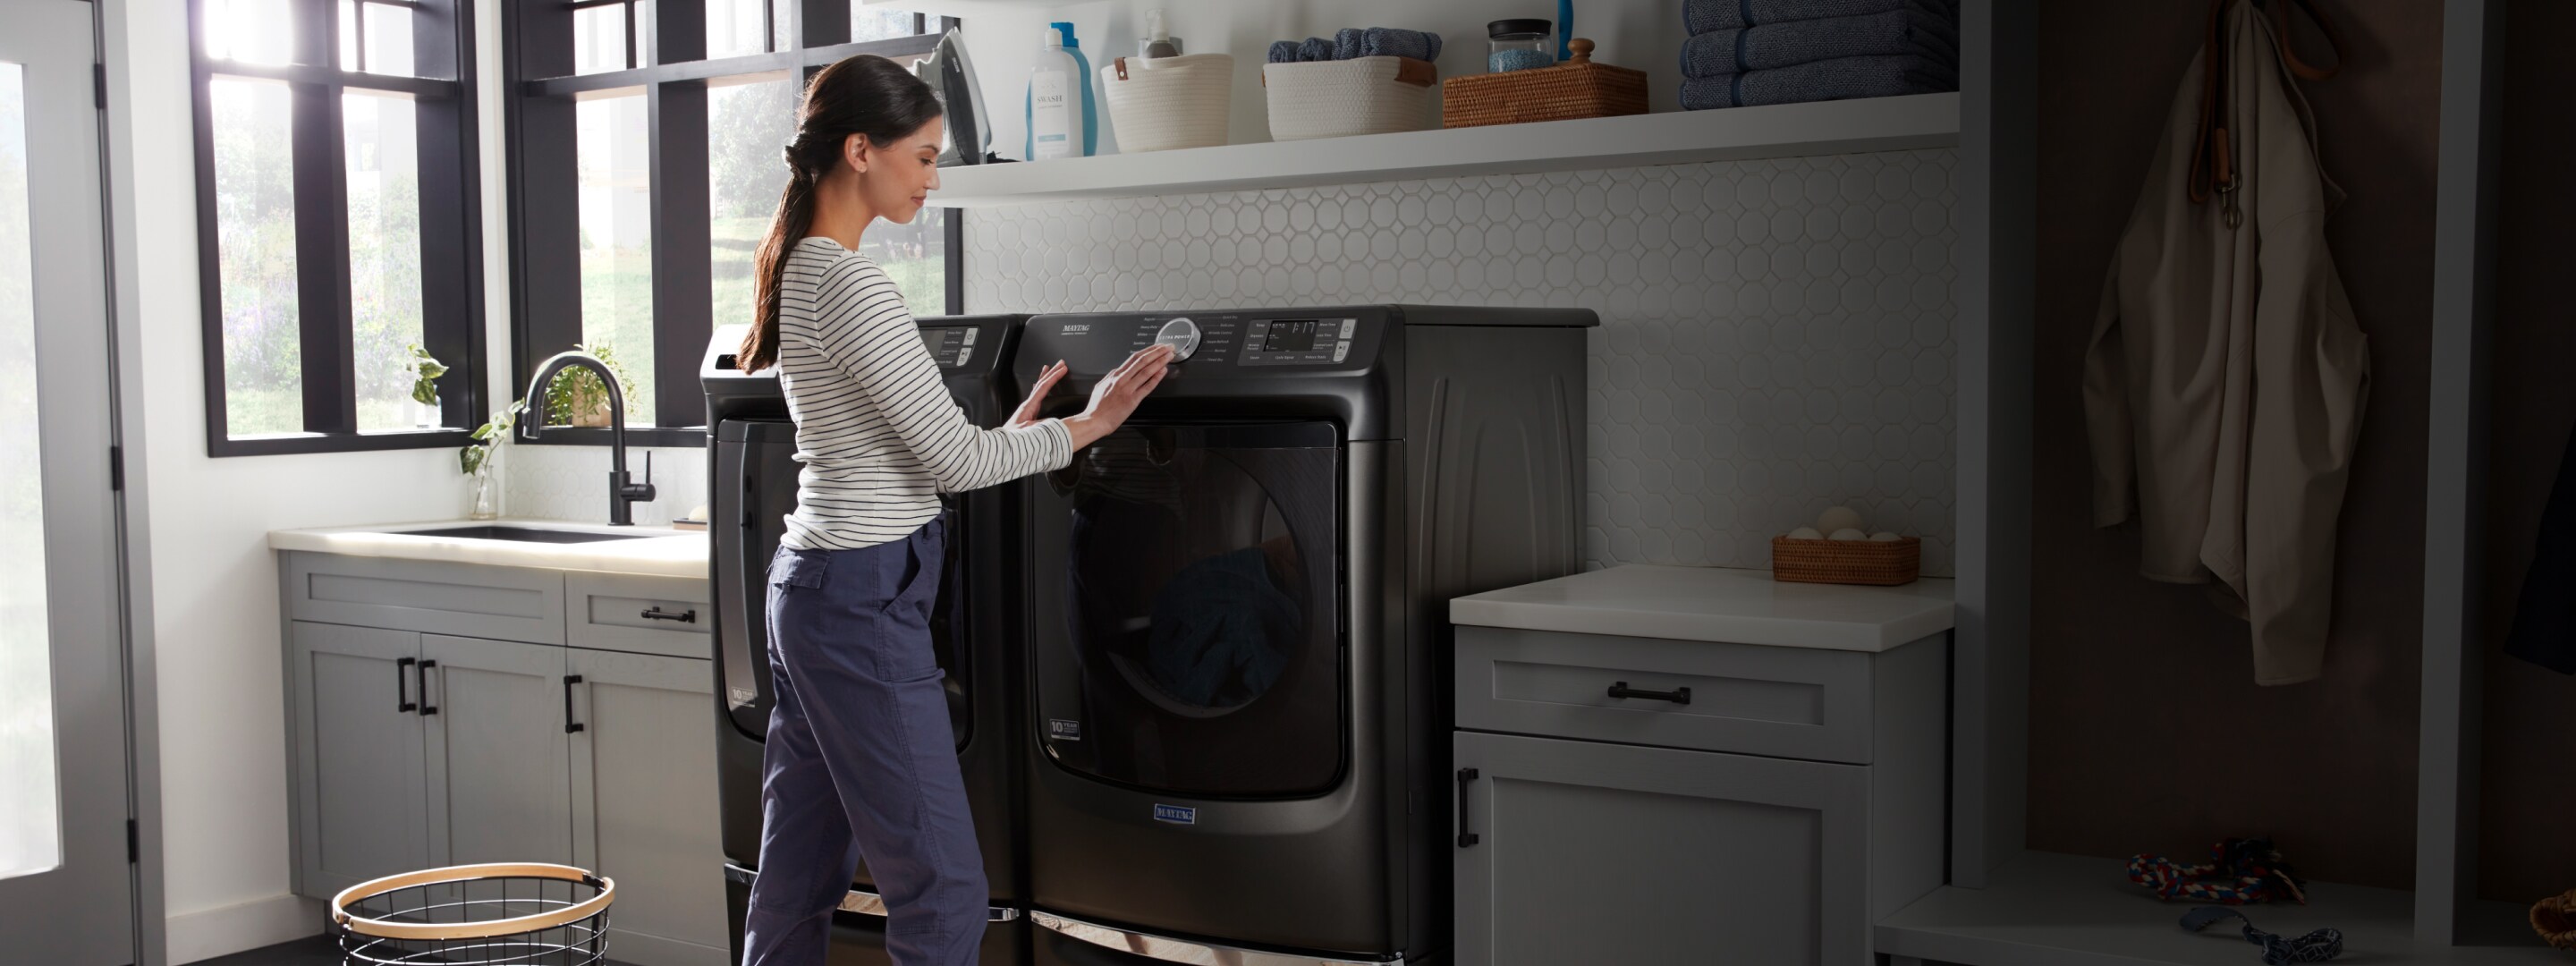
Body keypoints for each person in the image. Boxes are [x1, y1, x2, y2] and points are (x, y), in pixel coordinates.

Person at [731, 54, 1174, 966]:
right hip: (857, 603)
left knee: (798, 875)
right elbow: (952, 459)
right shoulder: (854, 286)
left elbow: (894, 455)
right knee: (943, 892)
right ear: (861, 150)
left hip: (815, 592)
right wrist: (1090, 426)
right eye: (924, 158)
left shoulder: (807, 272)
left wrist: (1011, 431)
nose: (934, 180)